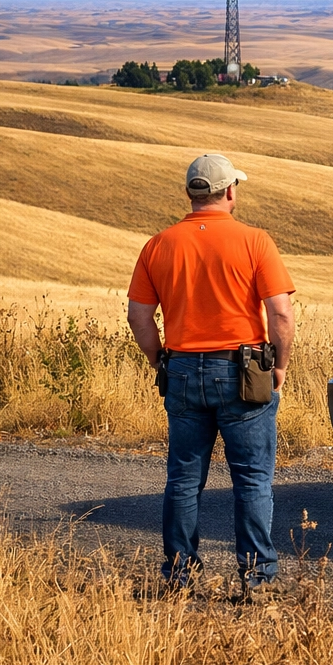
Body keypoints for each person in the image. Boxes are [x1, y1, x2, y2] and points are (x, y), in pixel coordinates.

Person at [126, 153, 296, 590]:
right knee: (253, 478)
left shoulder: (158, 245)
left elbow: (138, 318)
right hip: (243, 372)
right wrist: (279, 365)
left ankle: (180, 575)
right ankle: (256, 580)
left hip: (181, 369)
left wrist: (159, 359)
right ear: (231, 192)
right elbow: (281, 315)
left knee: (183, 479)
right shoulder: (255, 241)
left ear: (190, 193)